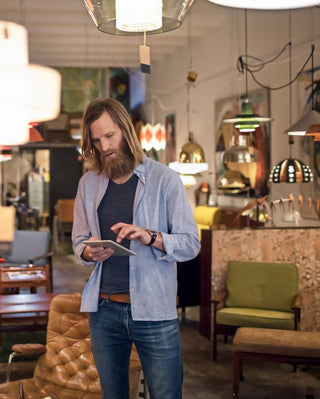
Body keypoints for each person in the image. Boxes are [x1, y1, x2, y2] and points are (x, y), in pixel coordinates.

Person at [72, 98, 200, 399]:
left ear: (126, 131)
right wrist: (89, 252)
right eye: (96, 140)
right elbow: (78, 241)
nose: (103, 147)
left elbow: (191, 243)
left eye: (109, 136)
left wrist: (150, 237)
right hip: (104, 309)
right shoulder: (88, 183)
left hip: (154, 310)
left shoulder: (165, 180)